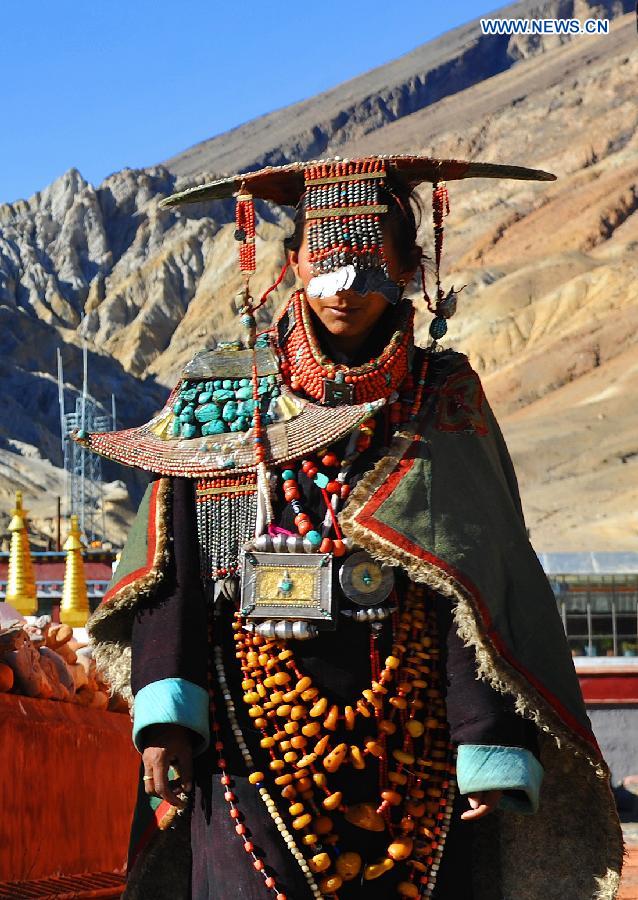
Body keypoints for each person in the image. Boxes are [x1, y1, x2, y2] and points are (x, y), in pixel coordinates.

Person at [81, 156, 622, 900]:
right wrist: (167, 713)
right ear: (295, 261)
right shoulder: (218, 393)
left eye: (369, 260)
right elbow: (172, 564)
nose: (345, 286)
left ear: (408, 266)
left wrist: (485, 738)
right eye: (327, 259)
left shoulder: (444, 396)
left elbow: (479, 577)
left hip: (416, 751)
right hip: (251, 743)